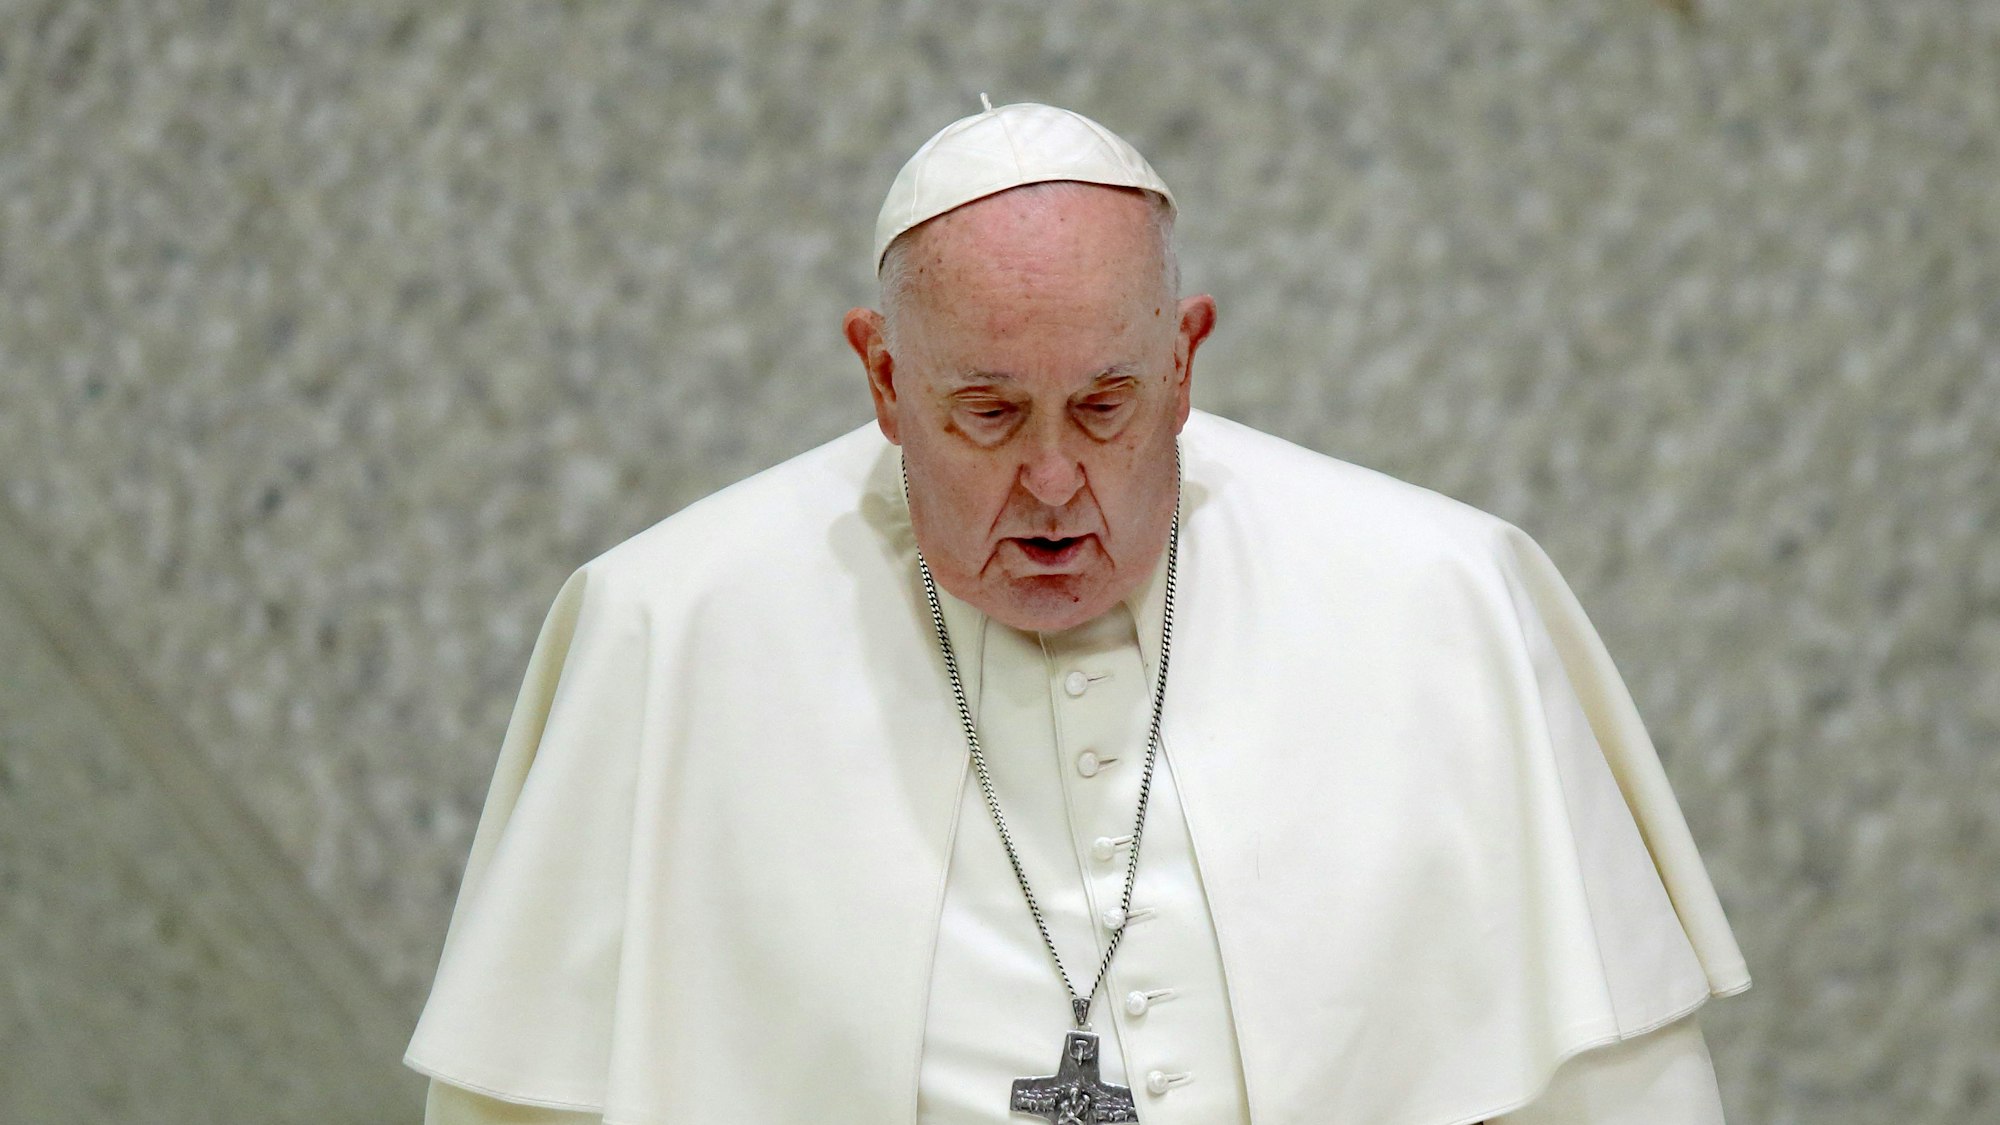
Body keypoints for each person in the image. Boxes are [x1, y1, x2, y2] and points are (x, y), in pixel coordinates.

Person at [405, 100, 1749, 1124]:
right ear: (881, 375)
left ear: (1185, 359)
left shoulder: (1444, 601)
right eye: (986, 412)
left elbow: (1621, 1091)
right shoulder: (672, 631)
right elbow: (521, 1097)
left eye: (1106, 406)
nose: (1054, 484)